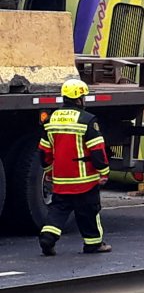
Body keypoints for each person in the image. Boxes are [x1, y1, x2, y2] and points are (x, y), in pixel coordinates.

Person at [37, 79, 112, 256]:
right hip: (85, 180)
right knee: (89, 211)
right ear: (79, 99)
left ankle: (47, 238)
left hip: (62, 179)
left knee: (58, 210)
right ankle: (93, 244)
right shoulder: (87, 120)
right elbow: (97, 150)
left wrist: (48, 171)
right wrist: (104, 171)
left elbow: (43, 150)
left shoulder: (51, 119)